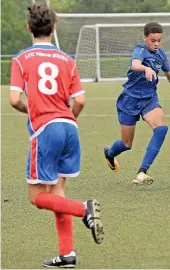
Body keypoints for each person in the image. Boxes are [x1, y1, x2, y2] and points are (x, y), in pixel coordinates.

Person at [9, 3, 104, 268]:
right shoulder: (67, 60)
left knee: (37, 197)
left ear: (29, 28)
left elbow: (14, 99)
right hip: (69, 127)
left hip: (46, 129)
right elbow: (81, 101)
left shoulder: (21, 59)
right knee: (58, 191)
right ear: (54, 27)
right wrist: (68, 117)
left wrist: (33, 110)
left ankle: (83, 210)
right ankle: (67, 254)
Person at [104, 22, 170, 185]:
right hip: (129, 100)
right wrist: (145, 69)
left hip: (149, 99)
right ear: (145, 38)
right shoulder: (140, 50)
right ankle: (110, 154)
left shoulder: (161, 54)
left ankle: (142, 171)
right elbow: (135, 65)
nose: (156, 44)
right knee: (126, 144)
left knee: (161, 129)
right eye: (153, 40)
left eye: (159, 40)